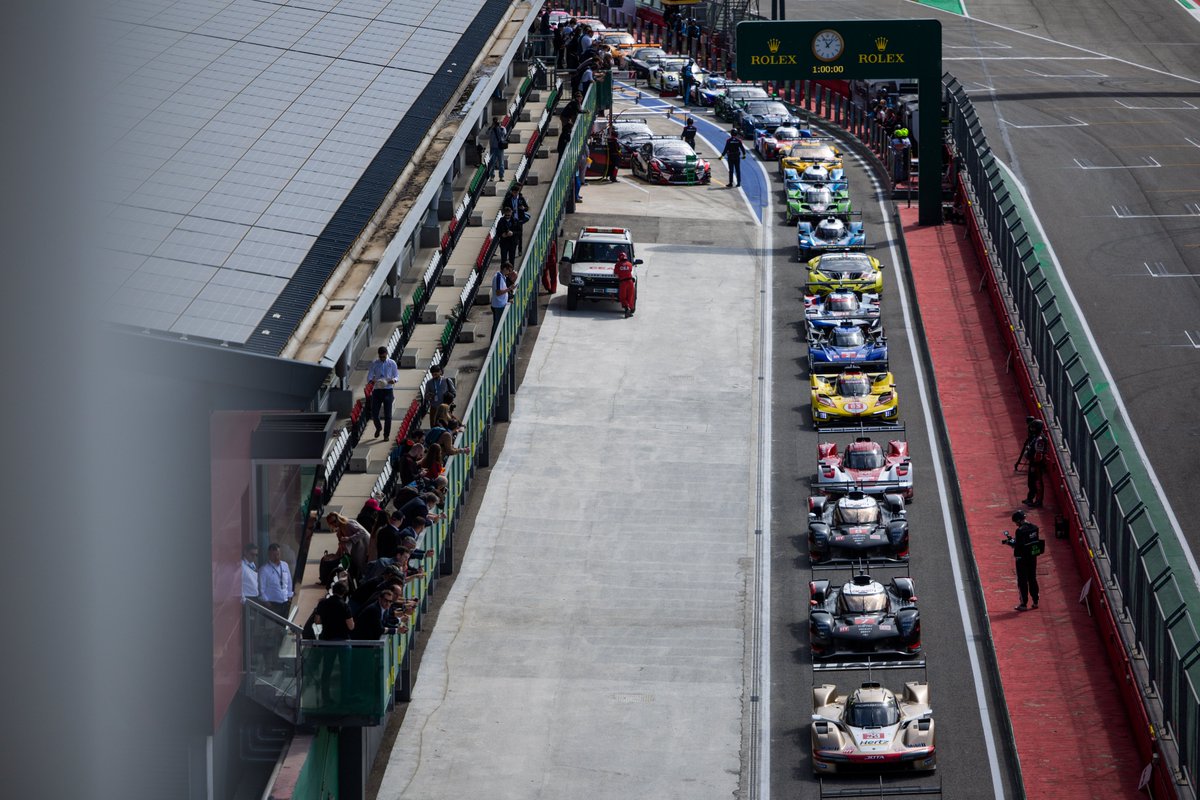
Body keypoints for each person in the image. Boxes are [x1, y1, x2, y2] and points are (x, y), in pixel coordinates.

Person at [312, 581, 355, 702]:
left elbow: (317, 621)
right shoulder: (344, 605)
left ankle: (325, 697)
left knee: (327, 669)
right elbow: (351, 626)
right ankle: (345, 697)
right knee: (345, 671)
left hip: (327, 640)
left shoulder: (323, 603)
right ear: (344, 592)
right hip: (343, 641)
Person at [1003, 509, 1042, 611]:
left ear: (1019, 520)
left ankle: (1023, 604)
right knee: (1032, 578)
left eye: (1016, 522)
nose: (1015, 524)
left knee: (1022, 580)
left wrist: (1009, 542)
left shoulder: (1019, 531)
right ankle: (1035, 601)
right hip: (1032, 557)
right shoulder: (1034, 528)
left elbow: (1018, 545)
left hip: (1021, 559)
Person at [326, 512, 371, 585]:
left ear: (338, 518)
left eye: (335, 521)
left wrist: (349, 538)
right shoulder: (339, 531)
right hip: (358, 548)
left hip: (365, 546)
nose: (334, 524)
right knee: (359, 565)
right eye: (331, 523)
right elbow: (341, 544)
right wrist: (337, 555)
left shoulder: (348, 523)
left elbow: (363, 532)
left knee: (364, 565)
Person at [366, 345, 399, 439]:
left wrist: (394, 380)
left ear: (386, 354)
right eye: (380, 357)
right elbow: (369, 376)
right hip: (377, 390)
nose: (382, 358)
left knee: (388, 415)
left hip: (388, 390)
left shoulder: (392, 363)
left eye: (384, 356)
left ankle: (386, 435)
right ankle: (379, 427)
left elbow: (397, 375)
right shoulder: (375, 363)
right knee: (374, 413)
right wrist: (371, 380)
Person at [1015, 417, 1048, 508]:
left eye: (1033, 427)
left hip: (1036, 465)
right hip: (1033, 463)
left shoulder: (1040, 439)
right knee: (1031, 482)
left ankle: (1038, 501)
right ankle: (1030, 498)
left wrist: (1034, 465)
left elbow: (1038, 455)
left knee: (1037, 482)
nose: (1031, 429)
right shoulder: (1035, 437)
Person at [257, 543, 293, 618]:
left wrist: (289, 597)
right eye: (274, 555)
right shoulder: (264, 570)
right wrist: (269, 605)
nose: (277, 557)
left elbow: (289, 583)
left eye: (278, 554)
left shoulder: (285, 565)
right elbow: (261, 590)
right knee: (274, 628)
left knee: (285, 627)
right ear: (269, 555)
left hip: (286, 603)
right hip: (273, 605)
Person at [490, 261, 515, 339]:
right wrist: (509, 289)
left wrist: (507, 300)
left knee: (499, 324)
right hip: (498, 306)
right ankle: (494, 341)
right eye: (509, 270)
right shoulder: (498, 277)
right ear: (504, 269)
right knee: (497, 324)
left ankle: (496, 340)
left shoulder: (502, 277)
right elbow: (498, 292)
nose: (509, 273)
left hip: (501, 304)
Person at [613, 250, 636, 318]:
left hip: (623, 282)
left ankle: (627, 308)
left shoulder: (618, 264)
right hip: (630, 282)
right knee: (630, 297)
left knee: (623, 297)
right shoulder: (629, 264)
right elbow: (630, 270)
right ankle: (629, 310)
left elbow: (615, 272)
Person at [488, 117, 508, 181]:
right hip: (493, 148)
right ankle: (492, 176)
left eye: (497, 121)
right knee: (492, 163)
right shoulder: (491, 129)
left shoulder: (502, 128)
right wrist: (492, 127)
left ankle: (501, 176)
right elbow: (487, 133)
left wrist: (499, 127)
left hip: (500, 148)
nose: (496, 123)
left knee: (501, 162)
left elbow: (504, 133)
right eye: (495, 121)